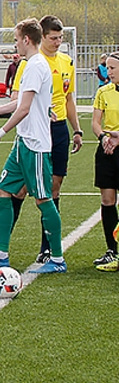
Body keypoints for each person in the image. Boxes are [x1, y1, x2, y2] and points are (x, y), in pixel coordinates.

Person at [0, 18, 66, 274]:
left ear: (26, 39)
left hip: (35, 145)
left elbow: (24, 109)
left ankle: (57, 260)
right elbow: (20, 104)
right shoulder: (29, 65)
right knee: (2, 193)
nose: (15, 44)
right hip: (23, 142)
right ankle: (1, 255)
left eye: (16, 39)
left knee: (44, 199)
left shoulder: (35, 66)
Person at [8, 16, 82, 263]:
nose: (58, 42)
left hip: (58, 129)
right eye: (53, 38)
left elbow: (69, 99)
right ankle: (3, 246)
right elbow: (18, 100)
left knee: (53, 188)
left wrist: (77, 130)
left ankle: (47, 248)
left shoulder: (66, 62)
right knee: (19, 190)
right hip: (37, 131)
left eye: (61, 38)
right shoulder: (29, 64)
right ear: (43, 37)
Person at [90, 52, 119, 270]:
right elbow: (96, 122)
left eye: (112, 68)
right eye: (107, 68)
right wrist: (103, 138)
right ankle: (112, 251)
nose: (108, 72)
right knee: (108, 201)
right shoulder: (103, 92)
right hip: (107, 152)